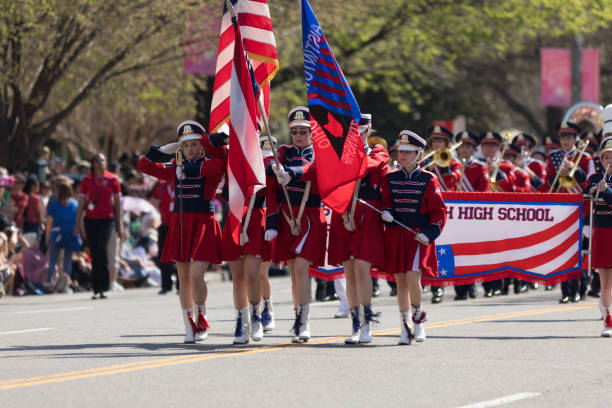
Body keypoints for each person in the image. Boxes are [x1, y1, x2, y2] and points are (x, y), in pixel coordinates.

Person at [137, 120, 224, 343]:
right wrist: (161, 151)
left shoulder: (210, 165)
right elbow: (143, 166)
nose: (191, 149)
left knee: (196, 275)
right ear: (180, 149)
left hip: (203, 222)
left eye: (195, 144)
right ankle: (188, 324)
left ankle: (202, 316)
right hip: (181, 224)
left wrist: (185, 168)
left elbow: (218, 166)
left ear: (203, 146)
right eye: (186, 146)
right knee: (183, 278)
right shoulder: (174, 169)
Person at [265, 106, 327, 343]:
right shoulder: (283, 152)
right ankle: (298, 315)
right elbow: (271, 190)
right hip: (286, 216)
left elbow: (315, 170)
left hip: (310, 216)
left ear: (312, 132)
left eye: (304, 131)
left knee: (301, 268)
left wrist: (292, 172)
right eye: (295, 131)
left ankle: (303, 321)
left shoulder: (320, 153)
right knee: (294, 272)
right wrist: (274, 168)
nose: (299, 135)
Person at [381, 130, 447, 345]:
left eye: (408, 152)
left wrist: (429, 234)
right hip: (396, 235)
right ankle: (404, 326)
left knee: (413, 277)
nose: (403, 156)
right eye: (400, 152)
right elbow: (386, 201)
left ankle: (418, 320)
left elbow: (439, 212)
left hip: (418, 236)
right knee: (400, 283)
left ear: (419, 154)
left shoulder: (429, 179)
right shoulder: (390, 177)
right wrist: (387, 212)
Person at [327, 113, 389, 344]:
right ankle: (355, 322)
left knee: (362, 268)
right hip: (344, 211)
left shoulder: (378, 150)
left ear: (367, 131)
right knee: (350, 271)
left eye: (360, 131)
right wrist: (293, 173)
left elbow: (375, 165)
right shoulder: (338, 152)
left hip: (367, 213)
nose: (355, 135)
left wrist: (347, 159)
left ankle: (367, 323)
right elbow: (319, 169)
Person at [547, 121, 594, 303]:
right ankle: (565, 291)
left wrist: (576, 171)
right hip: (561, 208)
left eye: (569, 137)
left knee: (577, 250)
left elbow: (587, 182)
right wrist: (559, 174)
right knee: (562, 250)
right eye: (563, 137)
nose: (565, 141)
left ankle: (578, 288)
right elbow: (548, 182)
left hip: (581, 209)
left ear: (575, 138)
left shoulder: (585, 157)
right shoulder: (553, 157)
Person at [74, 153, 123, 300]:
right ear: (93, 164)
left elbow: (118, 204)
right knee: (94, 253)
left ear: (106, 163)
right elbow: (82, 202)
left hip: (107, 220)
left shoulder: (113, 179)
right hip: (91, 220)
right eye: (97, 160)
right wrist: (77, 223)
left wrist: (119, 224)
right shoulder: (87, 180)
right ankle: (96, 289)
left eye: (103, 160)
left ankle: (104, 286)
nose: (100, 163)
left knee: (102, 250)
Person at [453, 131, 488, 300]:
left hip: (472, 215)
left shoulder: (479, 168)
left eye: (468, 146)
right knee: (455, 251)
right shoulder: (451, 166)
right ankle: (459, 289)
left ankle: (472, 283)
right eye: (461, 146)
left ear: (474, 149)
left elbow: (484, 193)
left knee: (470, 252)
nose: (464, 149)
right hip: (454, 217)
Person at [586, 134, 612, 336]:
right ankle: (607, 320)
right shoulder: (595, 177)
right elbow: (588, 197)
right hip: (602, 231)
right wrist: (594, 189)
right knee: (604, 282)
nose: (609, 161)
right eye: (606, 157)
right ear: (601, 160)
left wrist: (608, 191)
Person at [46, 178, 81, 288]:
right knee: (67, 258)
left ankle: (50, 281)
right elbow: (78, 220)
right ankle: (66, 278)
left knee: (53, 258)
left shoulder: (54, 203)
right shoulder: (74, 203)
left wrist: (47, 236)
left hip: (57, 233)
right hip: (70, 233)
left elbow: (50, 221)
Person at [150, 180, 178, 295]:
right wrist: (157, 206)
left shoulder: (182, 180)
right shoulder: (161, 185)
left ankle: (181, 286)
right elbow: (153, 200)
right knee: (163, 255)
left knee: (180, 256)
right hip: (165, 225)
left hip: (180, 226)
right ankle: (166, 285)